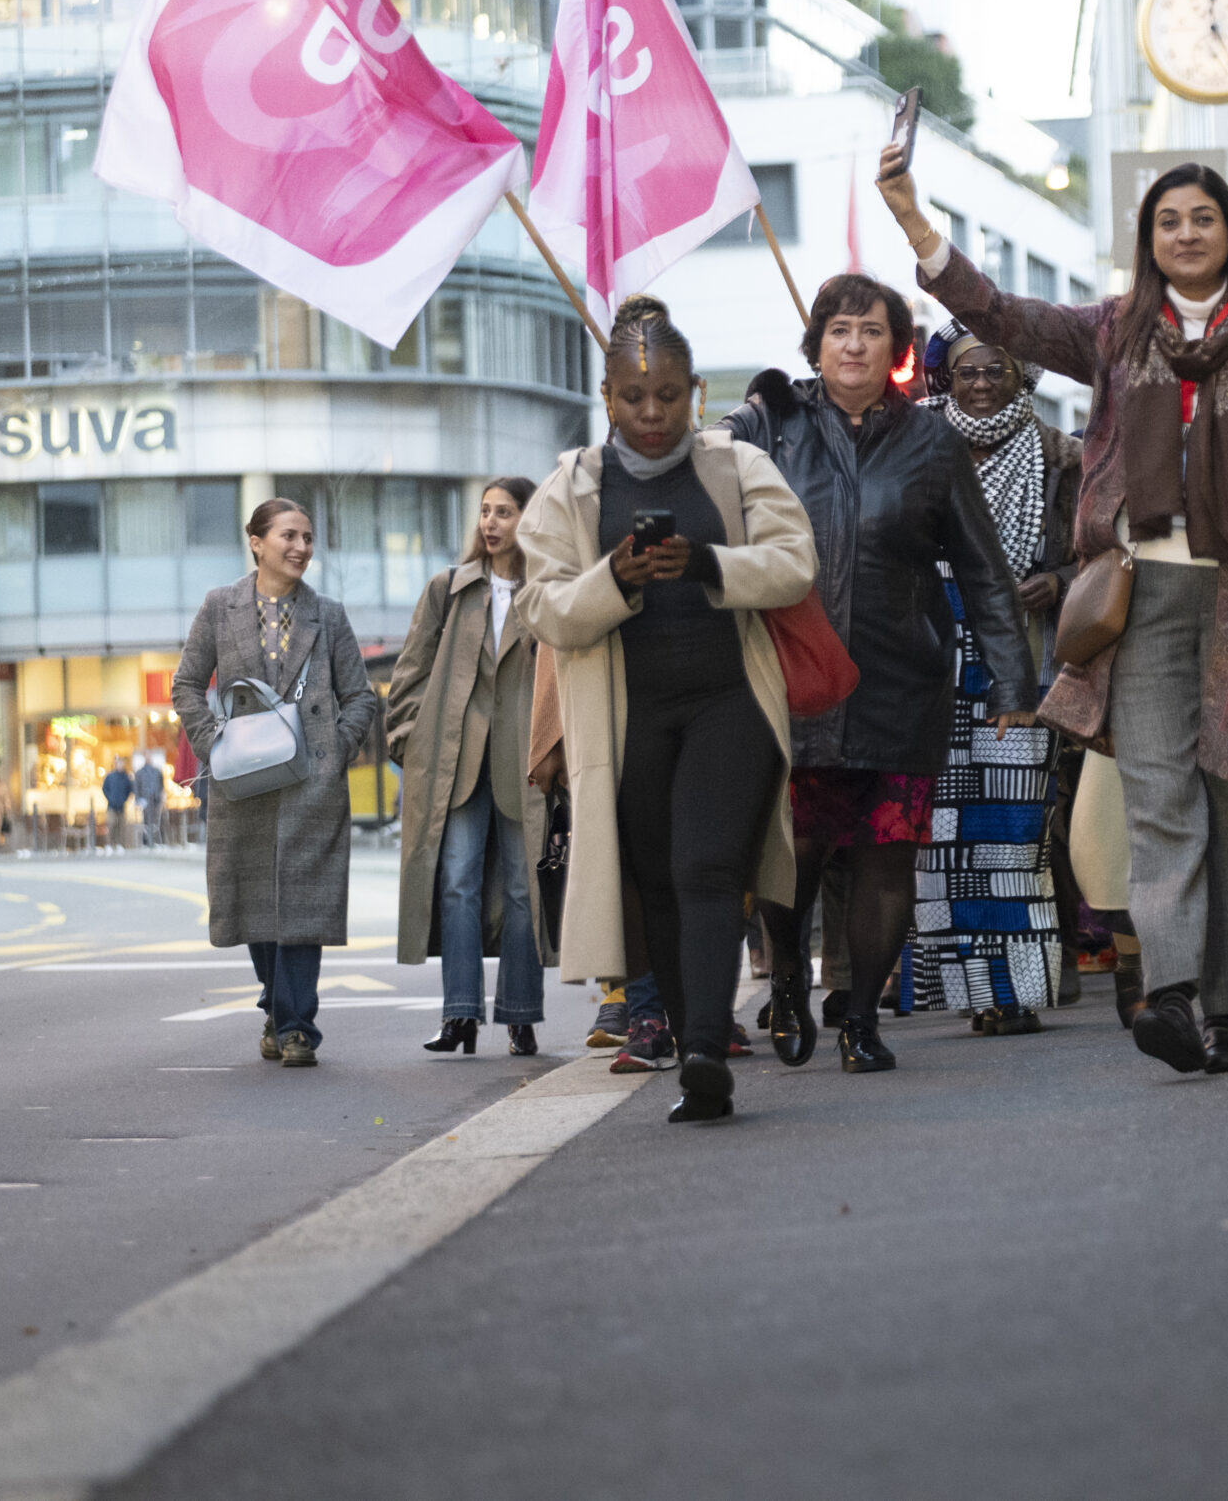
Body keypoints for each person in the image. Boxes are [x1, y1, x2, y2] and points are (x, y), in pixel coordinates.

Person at [881, 150, 1228, 1076]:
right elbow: (1000, 314)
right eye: (1168, 221)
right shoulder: (1114, 333)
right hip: (1142, 599)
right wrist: (915, 221)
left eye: (1202, 218)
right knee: (1160, 800)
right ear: (1148, 238)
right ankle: (1170, 994)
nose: (1185, 234)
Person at [724, 273, 1038, 1075]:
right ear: (816, 345)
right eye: (839, 330)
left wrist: (1011, 681)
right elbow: (707, 483)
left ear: (897, 348)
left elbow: (983, 568)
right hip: (796, 678)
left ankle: (861, 1018)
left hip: (902, 679)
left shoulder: (932, 442)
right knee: (792, 850)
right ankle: (787, 979)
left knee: (886, 856)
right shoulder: (772, 425)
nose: (854, 344)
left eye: (870, 331)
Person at [521, 296, 818, 1122]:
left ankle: (703, 1049)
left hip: (731, 701)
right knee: (656, 880)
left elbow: (796, 562)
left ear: (696, 393)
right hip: (626, 721)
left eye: (668, 395)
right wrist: (615, 578)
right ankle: (694, 1044)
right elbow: (543, 609)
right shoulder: (570, 487)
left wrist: (708, 564)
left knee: (706, 867)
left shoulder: (737, 466)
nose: (651, 413)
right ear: (606, 397)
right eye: (633, 397)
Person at [907, 323, 1080, 1035]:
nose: (981, 384)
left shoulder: (1059, 454)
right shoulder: (917, 444)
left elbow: (1101, 548)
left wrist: (1059, 579)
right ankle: (972, 992)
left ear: (1022, 377)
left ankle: (1016, 990)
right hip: (929, 658)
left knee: (1013, 831)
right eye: (968, 372)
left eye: (996, 371)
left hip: (1020, 655)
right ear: (946, 378)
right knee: (941, 837)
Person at [173, 498, 381, 1068]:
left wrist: (335, 750)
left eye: (308, 538)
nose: (301, 547)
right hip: (243, 779)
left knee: (305, 905)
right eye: (289, 536)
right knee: (253, 904)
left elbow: (360, 696)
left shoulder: (328, 615)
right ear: (257, 542)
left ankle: (296, 1027)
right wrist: (213, 741)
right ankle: (275, 1003)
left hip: (312, 780)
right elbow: (186, 684)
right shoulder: (219, 607)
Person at [387, 477, 553, 1057]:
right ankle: (459, 1014)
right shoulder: (449, 589)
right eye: (485, 511)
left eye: (504, 512)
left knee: (524, 889)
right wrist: (409, 741)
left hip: (525, 763)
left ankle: (520, 1015)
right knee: (456, 884)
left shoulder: (547, 592)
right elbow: (409, 672)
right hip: (454, 760)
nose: (490, 522)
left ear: (529, 519)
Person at [134, 753, 165, 848]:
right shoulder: (140, 773)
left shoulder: (157, 771)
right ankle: (146, 841)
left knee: (156, 821)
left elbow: (161, 785)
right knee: (146, 821)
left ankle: (155, 840)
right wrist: (138, 800)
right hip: (145, 800)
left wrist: (161, 796)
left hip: (156, 800)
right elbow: (137, 787)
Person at [102, 756, 133, 849]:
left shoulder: (126, 777)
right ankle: (109, 844)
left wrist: (124, 799)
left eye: (122, 763)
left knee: (121, 826)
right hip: (111, 806)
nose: (121, 765)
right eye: (119, 763)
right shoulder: (110, 776)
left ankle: (119, 844)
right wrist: (110, 798)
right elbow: (104, 788)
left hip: (121, 806)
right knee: (111, 825)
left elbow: (130, 790)